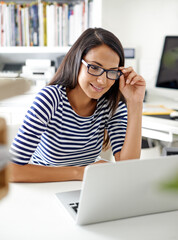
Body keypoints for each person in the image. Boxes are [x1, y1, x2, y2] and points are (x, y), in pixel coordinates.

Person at [9, 28, 146, 183]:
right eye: (94, 67)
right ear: (77, 61)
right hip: (44, 187)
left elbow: (127, 166)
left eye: (112, 72)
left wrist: (135, 102)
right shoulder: (50, 99)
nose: (102, 80)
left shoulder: (110, 104)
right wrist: (80, 172)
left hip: (85, 189)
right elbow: (12, 170)